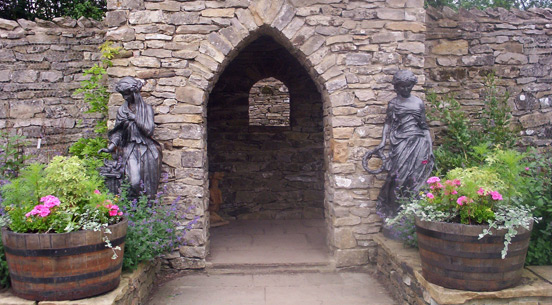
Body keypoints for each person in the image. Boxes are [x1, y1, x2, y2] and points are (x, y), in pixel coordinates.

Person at [375, 70, 434, 219]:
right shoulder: (393, 104)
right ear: (396, 87)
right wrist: (383, 142)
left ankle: (409, 215)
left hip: (419, 142)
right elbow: (388, 124)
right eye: (402, 86)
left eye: (408, 86)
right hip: (401, 143)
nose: (405, 89)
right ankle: (395, 214)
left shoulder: (418, 103)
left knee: (415, 178)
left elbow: (424, 127)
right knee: (397, 177)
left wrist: (430, 148)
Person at [99, 76, 162, 199]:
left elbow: (149, 130)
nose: (125, 98)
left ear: (135, 93)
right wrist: (111, 147)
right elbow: (118, 132)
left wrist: (135, 118)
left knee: (148, 186)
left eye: (127, 94)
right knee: (134, 182)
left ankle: (145, 212)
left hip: (146, 148)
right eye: (123, 95)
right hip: (129, 148)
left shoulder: (147, 109)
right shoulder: (122, 111)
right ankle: (133, 210)